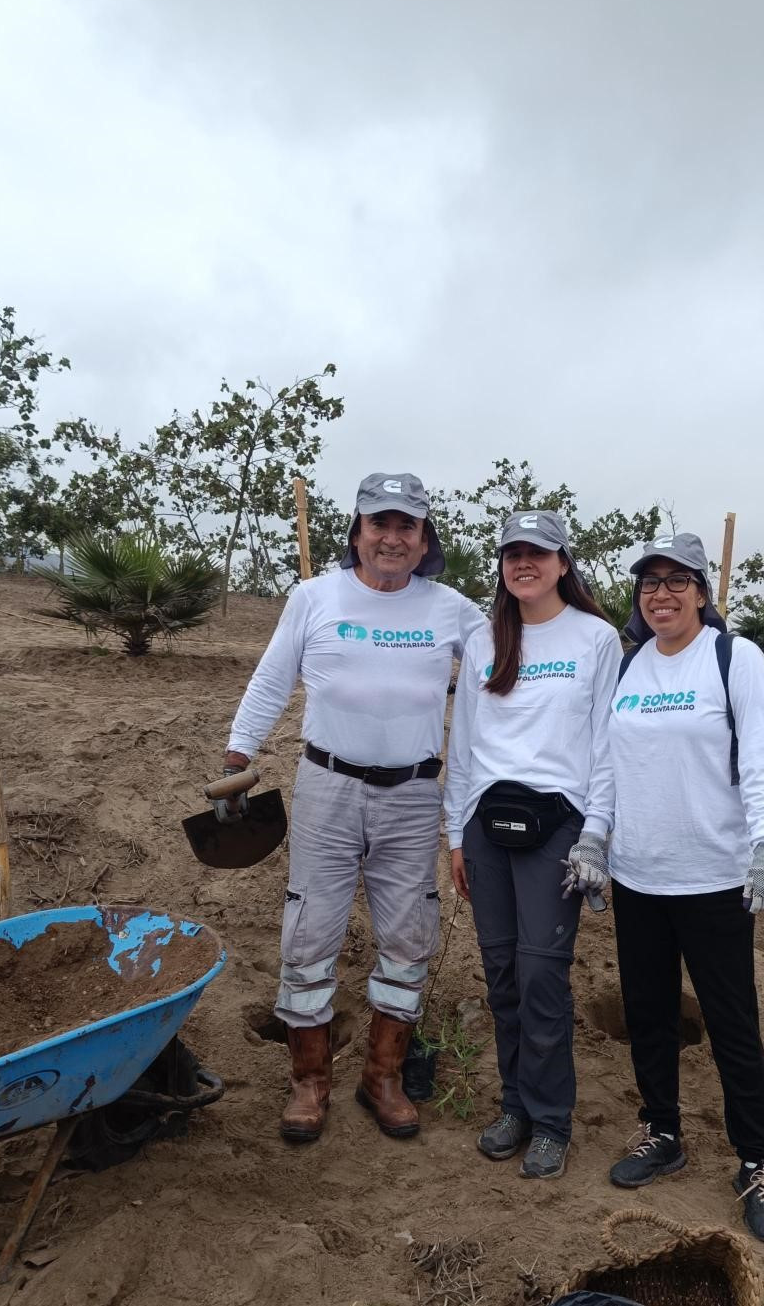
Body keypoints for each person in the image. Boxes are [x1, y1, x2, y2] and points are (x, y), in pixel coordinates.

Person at [222, 473, 486, 1144]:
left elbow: (510, 667)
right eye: (380, 524)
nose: (392, 538)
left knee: (408, 933)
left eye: (407, 526)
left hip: (413, 794)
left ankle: (382, 1075)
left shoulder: (452, 609)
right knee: (311, 928)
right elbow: (273, 677)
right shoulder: (314, 597)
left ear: (425, 538)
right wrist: (236, 757)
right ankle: (309, 1082)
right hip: (327, 788)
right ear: (357, 532)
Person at [602, 532, 764, 1244]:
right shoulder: (628, 668)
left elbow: (763, 760)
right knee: (648, 1014)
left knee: (732, 1024)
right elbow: (607, 769)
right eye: (649, 581)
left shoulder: (733, 657)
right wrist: (596, 839)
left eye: (677, 579)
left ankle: (756, 1162)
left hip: (715, 878)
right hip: (639, 876)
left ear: (702, 591)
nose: (662, 593)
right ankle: (663, 1132)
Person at [445, 511, 621, 1180]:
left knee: (543, 973)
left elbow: (605, 748)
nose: (524, 563)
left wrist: (595, 836)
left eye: (537, 553)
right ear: (501, 564)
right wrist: (454, 833)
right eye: (512, 553)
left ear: (562, 562)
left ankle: (551, 1119)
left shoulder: (596, 639)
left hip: (560, 830)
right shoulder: (487, 639)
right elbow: (462, 745)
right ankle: (514, 1103)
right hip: (487, 830)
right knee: (501, 975)